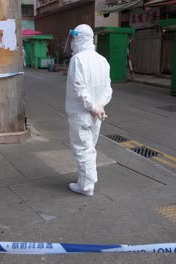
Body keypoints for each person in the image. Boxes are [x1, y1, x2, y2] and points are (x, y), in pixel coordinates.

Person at [65, 24, 112, 197]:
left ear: (78, 38)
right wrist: (99, 106)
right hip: (97, 114)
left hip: (81, 113)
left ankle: (86, 186)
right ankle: (86, 182)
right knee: (90, 148)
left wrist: (92, 107)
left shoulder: (78, 60)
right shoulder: (102, 60)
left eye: (74, 38)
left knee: (83, 150)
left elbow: (79, 87)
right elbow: (108, 89)